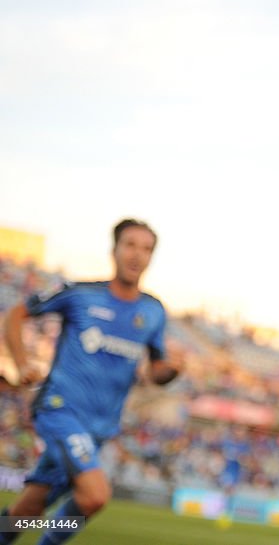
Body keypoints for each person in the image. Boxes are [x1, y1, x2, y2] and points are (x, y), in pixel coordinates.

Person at [0, 219, 183, 545]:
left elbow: (156, 374)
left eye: (146, 248)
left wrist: (173, 370)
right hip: (60, 410)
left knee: (28, 510)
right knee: (95, 496)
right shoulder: (80, 294)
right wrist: (22, 361)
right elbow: (17, 313)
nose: (137, 254)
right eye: (130, 244)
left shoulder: (153, 312)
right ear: (114, 249)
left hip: (100, 428)